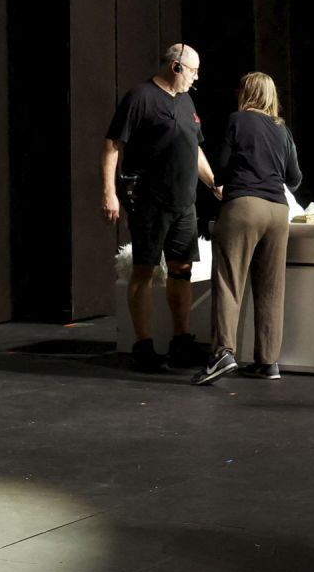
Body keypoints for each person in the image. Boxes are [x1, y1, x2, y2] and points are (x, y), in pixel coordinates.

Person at [101, 43, 219, 372]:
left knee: (182, 271)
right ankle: (143, 346)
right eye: (193, 71)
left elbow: (194, 148)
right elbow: (112, 146)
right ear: (176, 67)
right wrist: (109, 192)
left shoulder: (187, 101)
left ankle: (181, 341)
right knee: (146, 270)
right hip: (150, 200)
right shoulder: (140, 97)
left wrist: (213, 183)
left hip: (185, 203)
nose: (196, 78)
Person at [193, 72, 300, 385]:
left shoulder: (238, 120)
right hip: (278, 212)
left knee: (228, 282)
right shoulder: (283, 130)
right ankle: (268, 362)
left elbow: (222, 166)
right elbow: (295, 178)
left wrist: (223, 181)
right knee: (271, 289)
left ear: (247, 93)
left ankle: (223, 353)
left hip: (244, 206)